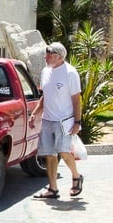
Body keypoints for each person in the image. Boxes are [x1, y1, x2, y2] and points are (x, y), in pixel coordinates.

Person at [29, 41, 84, 199]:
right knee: (49, 154)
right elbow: (45, 96)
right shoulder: (46, 71)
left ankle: (76, 176)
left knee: (64, 151)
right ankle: (53, 189)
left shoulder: (70, 73)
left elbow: (76, 99)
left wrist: (77, 122)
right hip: (47, 120)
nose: (45, 57)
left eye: (49, 55)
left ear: (59, 57)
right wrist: (35, 113)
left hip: (63, 121)